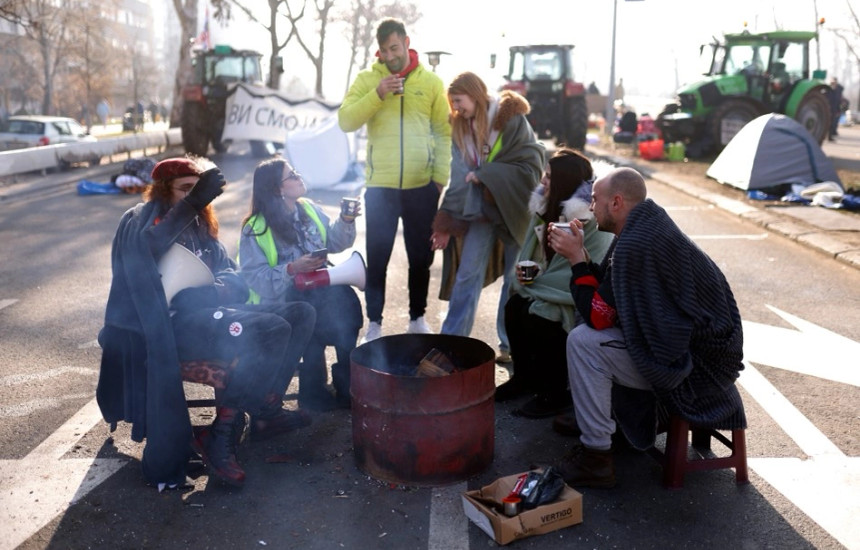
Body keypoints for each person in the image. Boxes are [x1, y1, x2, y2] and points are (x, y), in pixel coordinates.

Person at [97, 157, 315, 489]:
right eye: (186, 190)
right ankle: (219, 436)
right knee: (271, 328)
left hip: (207, 315)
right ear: (163, 191)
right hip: (170, 328)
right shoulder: (143, 220)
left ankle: (264, 411)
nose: (193, 198)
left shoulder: (201, 226)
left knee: (299, 315)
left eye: (197, 191)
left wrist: (215, 290)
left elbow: (234, 275)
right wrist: (196, 201)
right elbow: (147, 248)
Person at [548, 167, 746, 488]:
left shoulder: (636, 243)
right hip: (703, 351)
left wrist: (575, 261)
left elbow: (600, 314)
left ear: (616, 203)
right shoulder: (642, 226)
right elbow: (611, 294)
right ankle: (599, 419)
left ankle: (596, 456)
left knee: (584, 341)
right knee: (587, 329)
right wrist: (582, 254)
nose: (590, 207)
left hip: (696, 367)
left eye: (595, 200)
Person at [338, 18, 452, 342]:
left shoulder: (430, 82)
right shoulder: (367, 79)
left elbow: (444, 132)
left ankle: (417, 318)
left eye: (395, 48)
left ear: (406, 42)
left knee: (421, 257)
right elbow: (345, 120)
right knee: (378, 256)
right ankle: (374, 323)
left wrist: (439, 179)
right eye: (385, 50)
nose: (390, 55)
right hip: (380, 186)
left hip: (421, 186)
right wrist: (377, 93)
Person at [430, 72, 544, 363]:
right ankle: (451, 342)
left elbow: (532, 164)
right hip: (480, 214)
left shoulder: (511, 119)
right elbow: (459, 180)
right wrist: (444, 221)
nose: (456, 107)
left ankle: (509, 344)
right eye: (452, 102)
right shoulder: (459, 128)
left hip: (515, 211)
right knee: (467, 274)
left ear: (475, 95)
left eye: (459, 101)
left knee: (514, 279)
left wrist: (486, 176)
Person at [496, 149, 614, 419]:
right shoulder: (543, 206)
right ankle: (524, 379)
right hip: (546, 285)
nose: (543, 181)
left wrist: (539, 284)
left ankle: (555, 393)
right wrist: (530, 272)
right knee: (514, 306)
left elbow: (587, 268)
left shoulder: (589, 220)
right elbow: (531, 254)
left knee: (540, 318)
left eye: (549, 176)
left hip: (579, 295)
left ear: (564, 181)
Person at [239, 158, 362, 411]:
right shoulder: (255, 228)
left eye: (296, 172)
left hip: (321, 290)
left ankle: (347, 386)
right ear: (277, 189)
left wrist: (346, 220)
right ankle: (313, 391)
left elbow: (335, 243)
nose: (298, 177)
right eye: (291, 176)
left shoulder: (308, 209)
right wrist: (292, 269)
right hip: (283, 300)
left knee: (347, 304)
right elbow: (254, 277)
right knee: (311, 315)